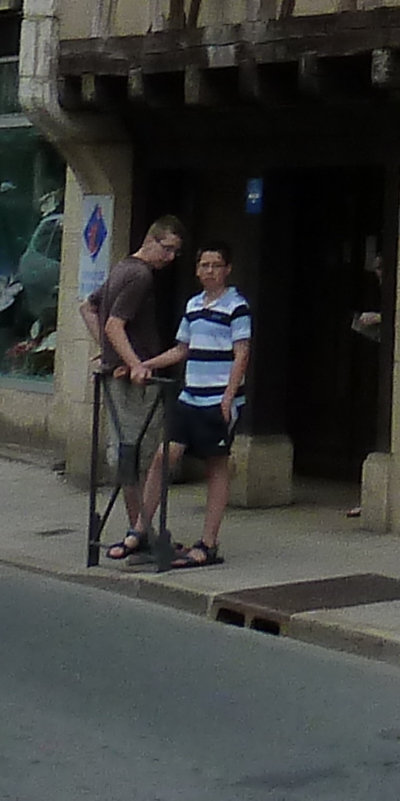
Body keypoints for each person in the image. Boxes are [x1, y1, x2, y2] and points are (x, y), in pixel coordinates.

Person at [144, 245, 253, 573]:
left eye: (216, 265)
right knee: (164, 457)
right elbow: (181, 349)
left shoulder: (237, 307)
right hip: (190, 397)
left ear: (227, 269)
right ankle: (139, 529)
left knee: (216, 467)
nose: (209, 271)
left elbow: (242, 353)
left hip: (217, 400)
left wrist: (228, 397)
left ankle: (208, 543)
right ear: (196, 270)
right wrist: (144, 365)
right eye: (204, 265)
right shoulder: (192, 305)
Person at [88, 218, 182, 565]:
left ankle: (137, 532)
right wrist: (135, 362)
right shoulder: (140, 275)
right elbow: (114, 324)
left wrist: (108, 352)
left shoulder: (121, 269)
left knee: (131, 456)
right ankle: (139, 534)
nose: (170, 258)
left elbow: (90, 307)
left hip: (118, 376)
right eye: (167, 248)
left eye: (176, 251)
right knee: (139, 458)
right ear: (151, 240)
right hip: (133, 383)